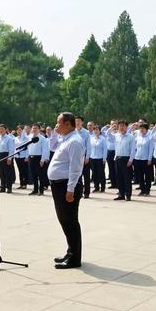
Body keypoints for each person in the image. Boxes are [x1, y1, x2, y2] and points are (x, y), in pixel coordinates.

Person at [48, 112, 85, 269]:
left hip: (66, 187)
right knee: (64, 221)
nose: (56, 125)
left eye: (59, 122)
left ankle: (74, 258)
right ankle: (70, 252)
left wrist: (70, 190)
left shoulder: (75, 141)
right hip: (58, 185)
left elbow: (76, 168)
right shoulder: (65, 138)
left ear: (68, 124)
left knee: (70, 222)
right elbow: (52, 147)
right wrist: (55, 135)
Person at [105, 120, 136, 201]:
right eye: (120, 126)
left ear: (126, 127)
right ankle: (121, 194)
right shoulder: (116, 136)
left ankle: (128, 195)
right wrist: (111, 127)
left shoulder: (131, 137)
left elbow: (133, 150)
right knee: (119, 178)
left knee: (127, 178)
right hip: (118, 159)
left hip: (126, 159)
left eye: (123, 126)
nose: (121, 128)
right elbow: (107, 134)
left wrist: (131, 160)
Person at [27, 123, 50, 196]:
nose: (34, 130)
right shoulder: (29, 137)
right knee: (33, 175)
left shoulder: (43, 139)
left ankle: (41, 190)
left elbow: (45, 150)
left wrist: (42, 160)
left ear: (39, 129)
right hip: (31, 157)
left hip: (39, 158)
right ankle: (35, 189)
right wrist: (27, 156)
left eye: (36, 128)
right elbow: (28, 148)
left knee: (40, 175)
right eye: (33, 128)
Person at [133, 123, 154, 196]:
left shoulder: (150, 138)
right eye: (140, 128)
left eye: (143, 128)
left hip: (146, 159)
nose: (141, 130)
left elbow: (151, 149)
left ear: (147, 129)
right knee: (140, 175)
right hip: (137, 158)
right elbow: (135, 148)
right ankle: (142, 189)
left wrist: (149, 159)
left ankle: (147, 190)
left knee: (147, 176)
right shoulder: (138, 137)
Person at [75, 116, 92, 199]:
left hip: (84, 157)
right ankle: (79, 192)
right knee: (77, 176)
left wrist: (87, 157)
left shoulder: (86, 133)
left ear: (82, 122)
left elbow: (88, 146)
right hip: (75, 157)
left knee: (86, 176)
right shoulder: (73, 132)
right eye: (76, 121)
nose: (77, 122)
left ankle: (87, 192)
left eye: (79, 121)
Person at [89, 125, 107, 192]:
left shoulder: (103, 139)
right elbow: (90, 148)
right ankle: (96, 187)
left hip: (100, 159)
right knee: (95, 173)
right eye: (94, 130)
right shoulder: (92, 138)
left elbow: (105, 149)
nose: (96, 131)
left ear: (100, 131)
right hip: (92, 158)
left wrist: (104, 159)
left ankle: (103, 187)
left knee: (101, 174)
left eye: (97, 130)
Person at [14, 125, 30, 189]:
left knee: (24, 170)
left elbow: (28, 148)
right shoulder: (15, 138)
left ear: (23, 130)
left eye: (20, 130)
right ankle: (21, 184)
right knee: (20, 171)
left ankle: (25, 184)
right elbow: (14, 148)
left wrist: (27, 157)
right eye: (18, 130)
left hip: (24, 156)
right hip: (17, 156)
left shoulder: (26, 138)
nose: (19, 131)